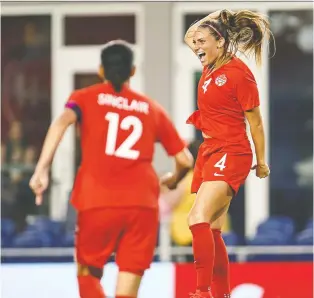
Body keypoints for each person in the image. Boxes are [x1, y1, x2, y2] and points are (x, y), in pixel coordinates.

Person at [29, 40, 193, 298]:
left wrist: (42, 168)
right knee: (128, 283)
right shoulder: (152, 109)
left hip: (98, 200)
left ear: (101, 70)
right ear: (133, 72)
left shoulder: (83, 98)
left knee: (87, 273)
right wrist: (173, 180)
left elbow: (61, 123)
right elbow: (185, 160)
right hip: (142, 204)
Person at [184, 9, 272, 298]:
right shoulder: (209, 64)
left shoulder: (238, 73)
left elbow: (255, 121)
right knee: (211, 228)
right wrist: (217, 17)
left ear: (219, 42)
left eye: (202, 41)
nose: (196, 46)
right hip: (210, 151)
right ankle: (220, 293)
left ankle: (202, 291)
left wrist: (261, 160)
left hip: (231, 151)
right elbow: (188, 34)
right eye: (196, 43)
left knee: (196, 218)